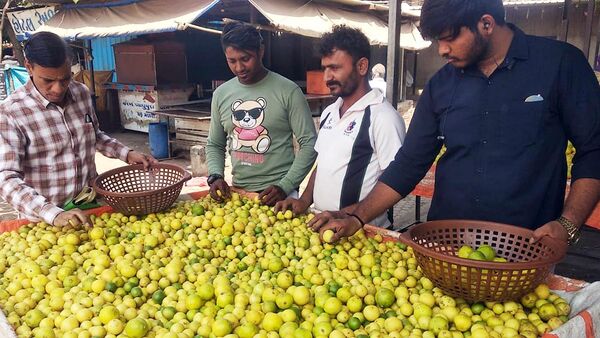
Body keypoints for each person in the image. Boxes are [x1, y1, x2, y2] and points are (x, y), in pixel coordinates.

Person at [310, 0, 600, 245]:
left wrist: (568, 225)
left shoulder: (559, 65)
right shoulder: (441, 85)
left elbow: (593, 149)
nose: (442, 50)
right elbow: (409, 163)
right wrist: (357, 216)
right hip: (446, 242)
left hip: (528, 244)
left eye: (449, 38)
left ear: (486, 24)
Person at [0, 31, 157, 227]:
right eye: (48, 80)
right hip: (43, 219)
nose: (58, 89)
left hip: (88, 206)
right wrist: (52, 214)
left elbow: (94, 135)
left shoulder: (81, 93)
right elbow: (6, 178)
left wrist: (127, 153)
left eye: (65, 79)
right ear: (29, 67)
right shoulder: (11, 112)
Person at [275, 25, 406, 228]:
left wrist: (348, 215)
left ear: (362, 67)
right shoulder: (329, 112)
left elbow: (396, 183)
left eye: (335, 68)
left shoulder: (383, 118)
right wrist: (303, 201)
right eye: (324, 68)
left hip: (363, 234)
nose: (327, 77)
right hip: (322, 227)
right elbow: (323, 165)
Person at [206, 22, 317, 206]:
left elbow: (309, 143)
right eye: (232, 61)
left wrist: (285, 186)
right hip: (238, 194)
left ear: (261, 51)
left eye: (245, 58)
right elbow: (215, 144)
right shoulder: (221, 94)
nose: (239, 67)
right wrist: (215, 175)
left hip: (281, 196)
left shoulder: (288, 91)